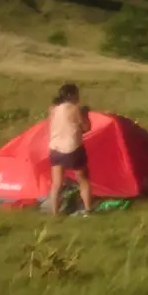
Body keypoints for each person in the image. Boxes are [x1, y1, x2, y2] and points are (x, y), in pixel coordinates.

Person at [46, 83, 95, 218]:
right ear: (70, 95)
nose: (78, 96)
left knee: (56, 183)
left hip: (55, 148)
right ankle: (88, 210)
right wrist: (85, 114)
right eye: (76, 94)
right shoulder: (75, 109)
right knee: (83, 180)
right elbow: (86, 128)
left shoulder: (53, 109)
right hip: (73, 148)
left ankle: (55, 214)